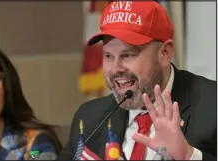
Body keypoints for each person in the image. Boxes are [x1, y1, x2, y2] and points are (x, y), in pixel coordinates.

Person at [58, 1, 216, 160]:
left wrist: (189, 156)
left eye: (128, 55)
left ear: (165, 54)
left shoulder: (212, 106)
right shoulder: (90, 118)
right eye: (108, 56)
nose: (115, 69)